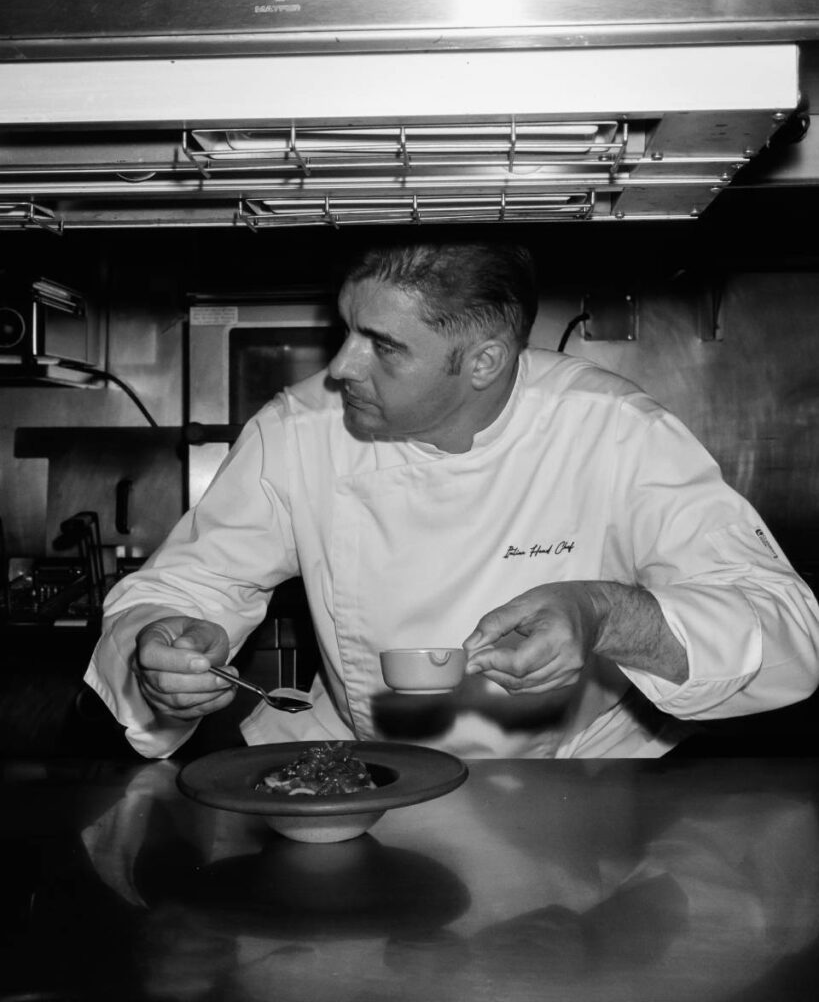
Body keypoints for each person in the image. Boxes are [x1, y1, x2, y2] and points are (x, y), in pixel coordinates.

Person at [84, 242, 819, 759]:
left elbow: (785, 628)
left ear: (485, 361)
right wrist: (162, 646)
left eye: (382, 345)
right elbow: (186, 587)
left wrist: (603, 612)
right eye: (346, 329)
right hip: (364, 771)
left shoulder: (614, 429)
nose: (340, 367)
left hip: (579, 783)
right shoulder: (298, 432)